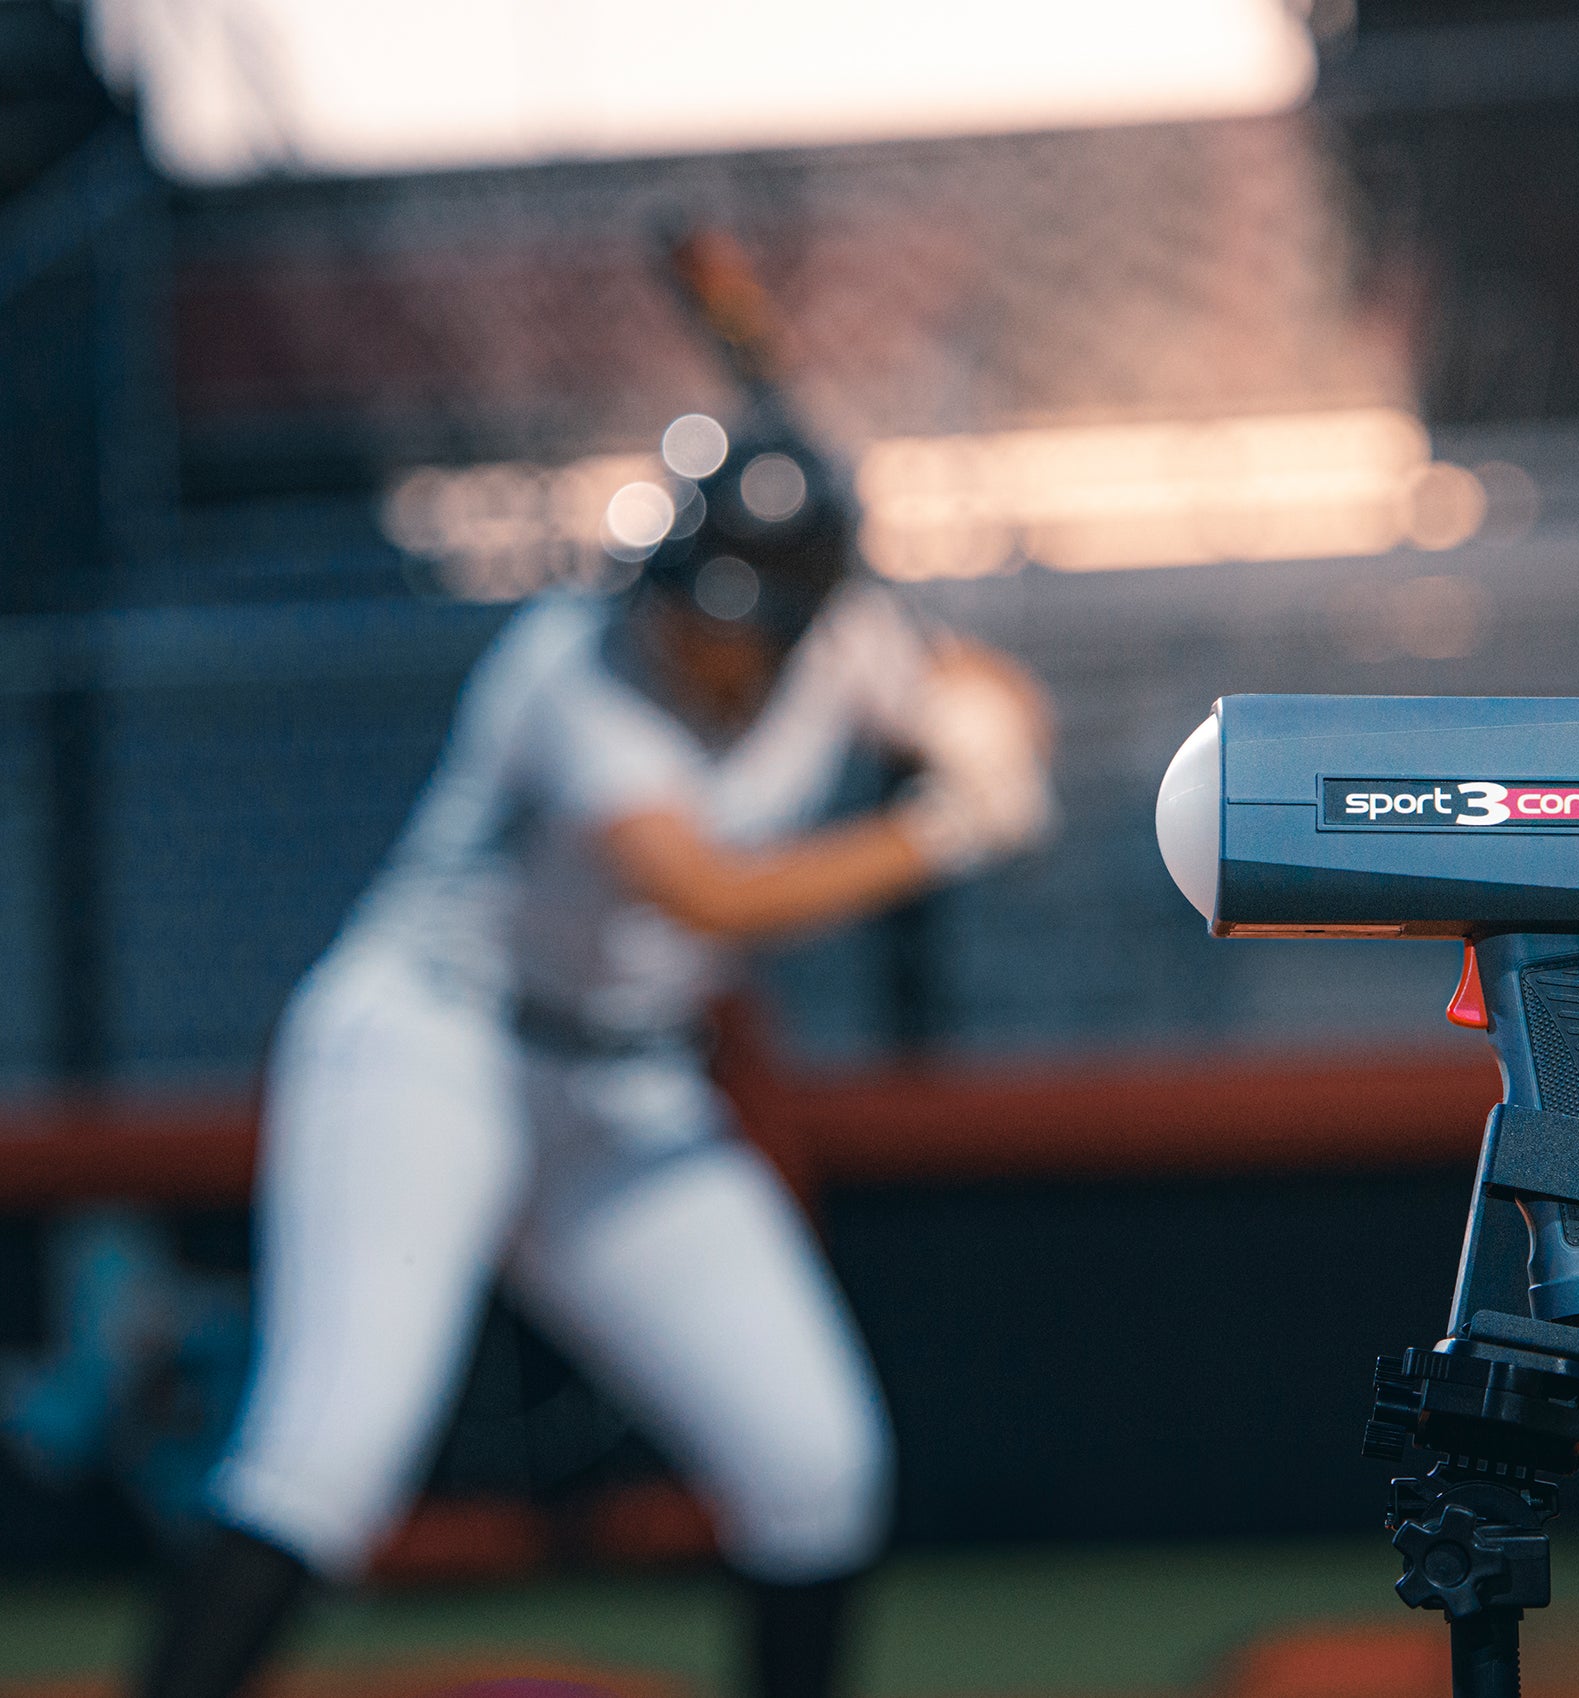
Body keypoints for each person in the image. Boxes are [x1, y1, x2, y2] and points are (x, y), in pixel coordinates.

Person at [133, 423, 1055, 1698]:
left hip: (619, 1082)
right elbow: (703, 893)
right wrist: (948, 826)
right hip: (427, 1051)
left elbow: (1004, 696)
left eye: (736, 617)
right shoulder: (567, 671)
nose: (694, 635)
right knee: (322, 1466)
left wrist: (987, 720)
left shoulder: (850, 636)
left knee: (812, 1463)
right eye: (689, 601)